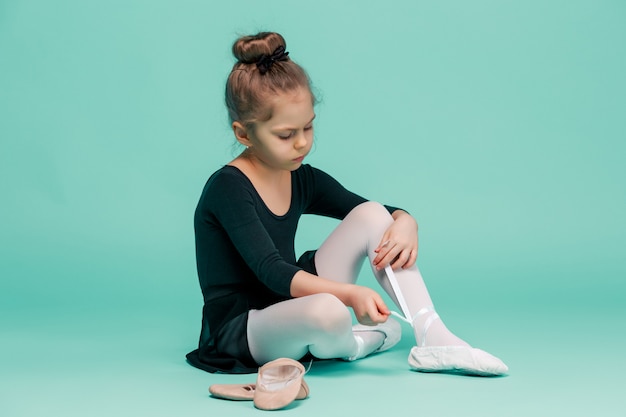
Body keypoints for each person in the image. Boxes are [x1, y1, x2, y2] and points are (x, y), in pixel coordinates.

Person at [186, 31, 508, 376]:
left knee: (371, 216)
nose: (301, 144)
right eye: (285, 135)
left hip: (288, 303)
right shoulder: (228, 187)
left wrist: (406, 221)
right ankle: (353, 343)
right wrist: (350, 294)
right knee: (329, 311)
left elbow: (371, 211)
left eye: (308, 128)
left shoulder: (300, 176)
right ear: (243, 134)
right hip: (244, 328)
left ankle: (432, 336)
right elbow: (272, 271)